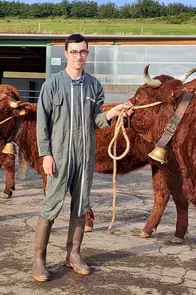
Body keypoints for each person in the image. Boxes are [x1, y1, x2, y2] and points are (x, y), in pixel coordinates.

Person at [33, 34, 133, 282]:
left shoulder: (94, 86)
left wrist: (112, 113)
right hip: (59, 156)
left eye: (83, 52)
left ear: (87, 54)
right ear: (65, 54)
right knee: (51, 206)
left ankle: (73, 255)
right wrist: (45, 154)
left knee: (80, 206)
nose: (79, 56)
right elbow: (41, 123)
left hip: (84, 157)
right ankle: (38, 259)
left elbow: (96, 121)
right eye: (74, 52)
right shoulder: (52, 85)